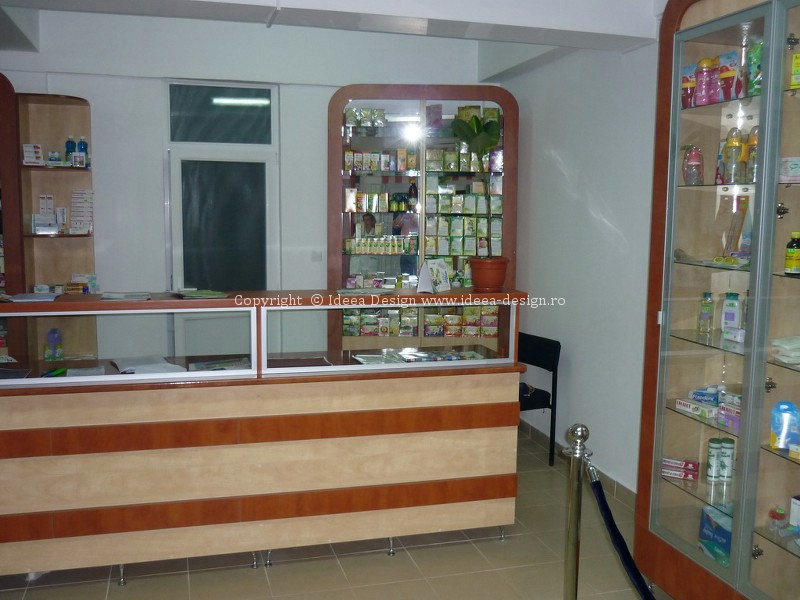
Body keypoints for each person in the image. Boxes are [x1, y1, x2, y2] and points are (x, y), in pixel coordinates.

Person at [393, 211, 419, 275]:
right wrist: (402, 214)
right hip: (405, 245)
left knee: (415, 269)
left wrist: (412, 214)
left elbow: (420, 224)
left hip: (415, 245)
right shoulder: (404, 214)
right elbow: (395, 225)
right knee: (405, 270)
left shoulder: (418, 214)